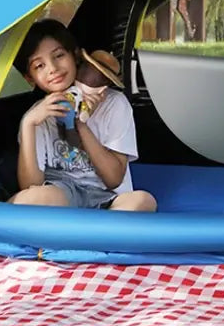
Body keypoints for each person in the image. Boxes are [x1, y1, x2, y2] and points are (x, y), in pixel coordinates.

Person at [10, 19, 157, 212]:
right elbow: (30, 185)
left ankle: (81, 236)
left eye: (59, 56)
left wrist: (80, 122)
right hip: (62, 193)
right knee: (27, 200)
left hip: (107, 197)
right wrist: (28, 125)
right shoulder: (37, 116)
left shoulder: (115, 104)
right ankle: (97, 237)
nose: (52, 68)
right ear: (30, 78)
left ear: (76, 56)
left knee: (143, 202)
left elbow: (113, 179)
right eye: (39, 66)